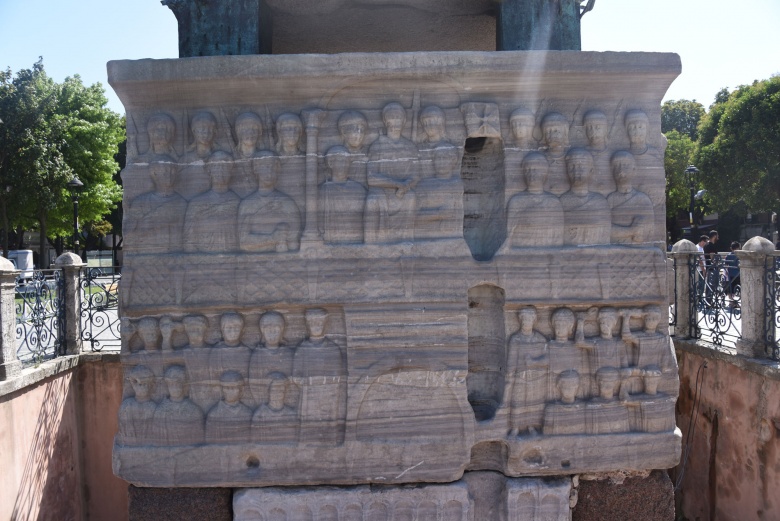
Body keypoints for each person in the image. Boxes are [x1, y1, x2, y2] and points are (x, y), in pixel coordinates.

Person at [364, 102, 419, 244]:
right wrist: (397, 184)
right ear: (385, 121)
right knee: (371, 201)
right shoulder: (377, 146)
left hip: (401, 193)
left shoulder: (410, 146)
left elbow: (415, 175)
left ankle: (406, 243)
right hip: (381, 193)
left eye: (398, 117)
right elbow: (371, 178)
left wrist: (406, 186)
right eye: (391, 117)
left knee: (411, 197)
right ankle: (370, 245)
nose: (395, 120)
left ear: (404, 120)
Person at [703, 230, 720, 306]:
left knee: (709, 286)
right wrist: (717, 263)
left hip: (708, 267)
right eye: (717, 235)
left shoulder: (706, 245)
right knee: (712, 285)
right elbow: (712, 256)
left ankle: (708, 301)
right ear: (714, 236)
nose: (718, 237)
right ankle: (709, 302)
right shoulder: (711, 245)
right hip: (712, 268)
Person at [724, 241, 741, 308]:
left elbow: (725, 265)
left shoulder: (729, 255)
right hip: (738, 274)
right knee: (738, 288)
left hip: (730, 274)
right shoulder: (739, 255)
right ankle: (736, 302)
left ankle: (731, 302)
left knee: (731, 289)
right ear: (738, 247)